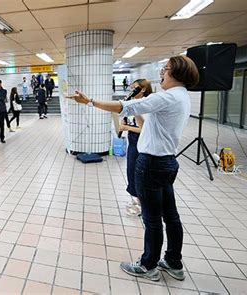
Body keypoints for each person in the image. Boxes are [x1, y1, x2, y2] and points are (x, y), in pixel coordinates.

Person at [68, 55, 199, 282]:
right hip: (168, 162)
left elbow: (123, 106)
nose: (162, 73)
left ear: (177, 73)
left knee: (151, 218)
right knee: (171, 216)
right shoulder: (182, 97)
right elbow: (142, 119)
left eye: (166, 69)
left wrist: (89, 101)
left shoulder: (166, 98)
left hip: (151, 164)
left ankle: (148, 265)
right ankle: (173, 262)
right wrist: (135, 105)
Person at [119, 79, 152, 216]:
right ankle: (136, 200)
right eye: (131, 88)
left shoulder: (147, 104)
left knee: (139, 174)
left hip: (142, 143)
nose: (131, 91)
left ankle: (142, 205)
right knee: (131, 171)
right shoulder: (134, 104)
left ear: (143, 89)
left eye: (134, 88)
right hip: (132, 142)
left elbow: (145, 129)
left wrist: (126, 127)